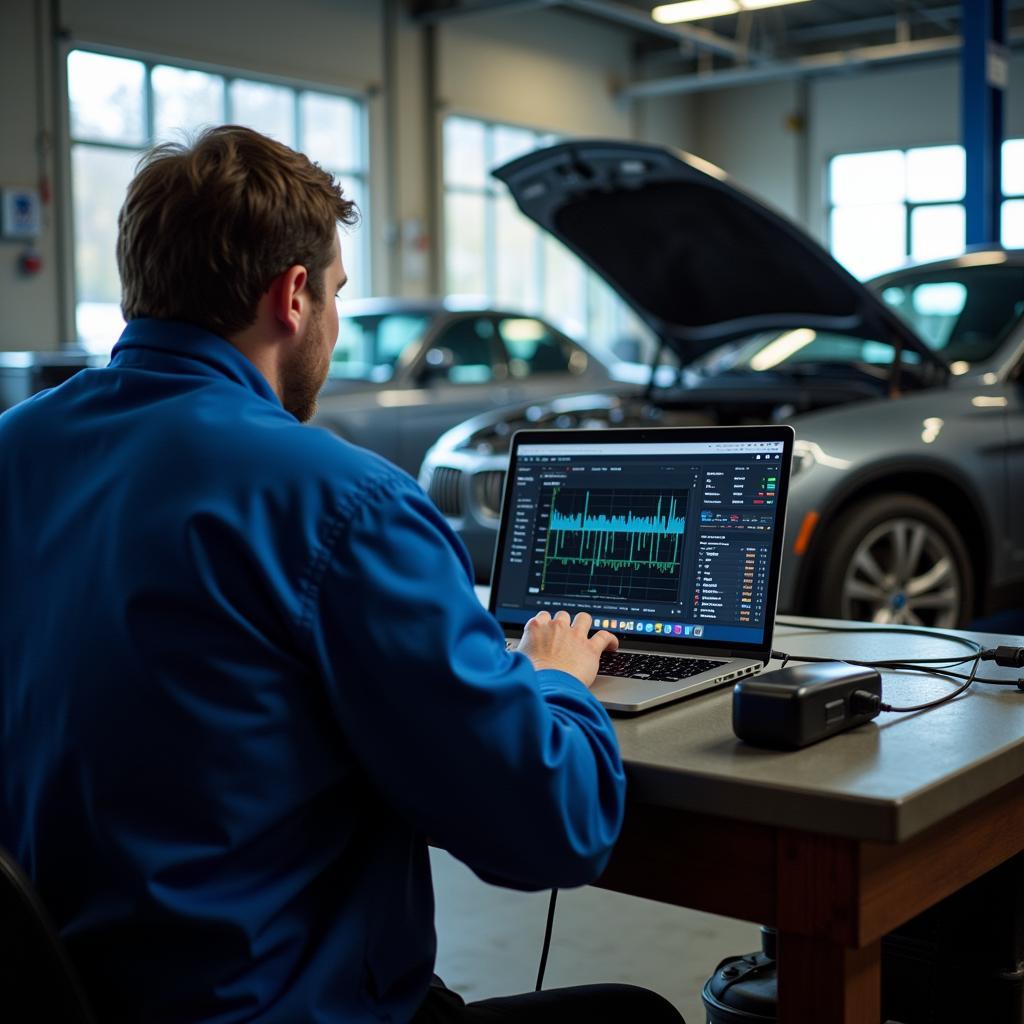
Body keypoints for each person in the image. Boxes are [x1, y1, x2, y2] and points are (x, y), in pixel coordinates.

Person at [0, 125, 683, 1024]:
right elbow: (551, 828)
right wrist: (556, 685)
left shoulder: (18, 449)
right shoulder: (341, 501)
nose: (332, 319)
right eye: (336, 295)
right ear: (293, 296)